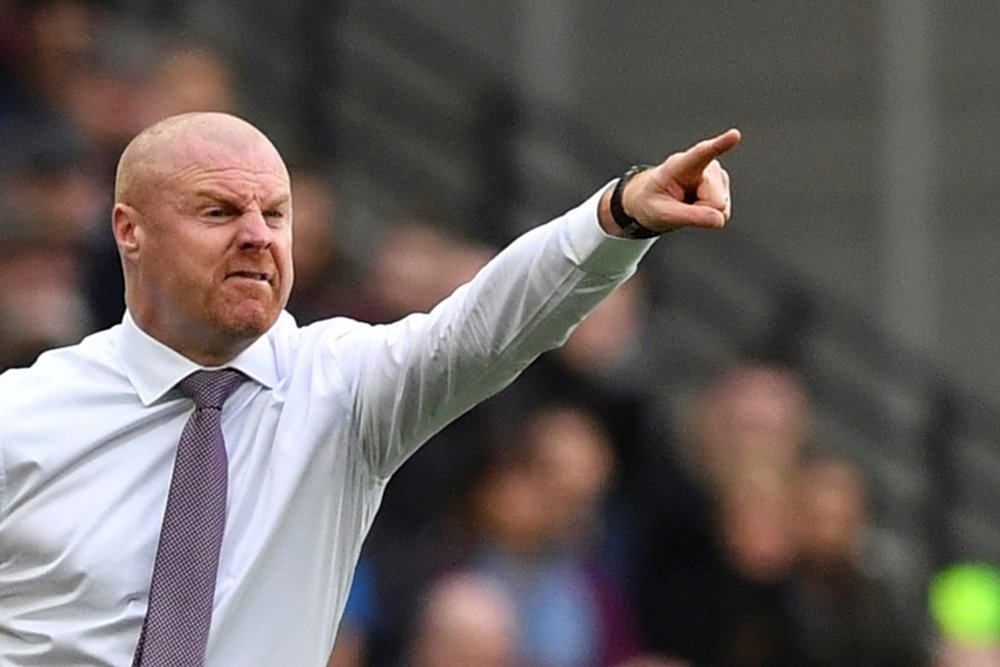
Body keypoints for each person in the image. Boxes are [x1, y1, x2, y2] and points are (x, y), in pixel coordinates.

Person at [0, 110, 739, 666]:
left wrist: (617, 218)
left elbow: (485, 328)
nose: (258, 234)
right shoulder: (22, 417)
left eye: (276, 213)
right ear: (129, 231)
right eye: (219, 211)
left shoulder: (340, 388)